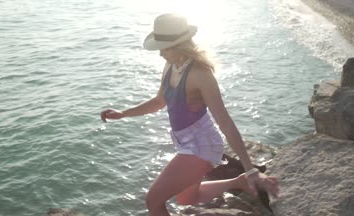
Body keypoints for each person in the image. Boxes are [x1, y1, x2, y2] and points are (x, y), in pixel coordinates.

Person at [100, 13, 279, 215]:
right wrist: (123, 114)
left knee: (153, 200)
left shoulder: (200, 74)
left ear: (180, 45)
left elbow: (225, 122)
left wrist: (251, 168)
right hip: (185, 142)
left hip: (201, 145)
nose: (160, 54)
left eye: (164, 48)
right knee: (187, 198)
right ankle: (237, 182)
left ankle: (244, 177)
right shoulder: (171, 65)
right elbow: (159, 101)